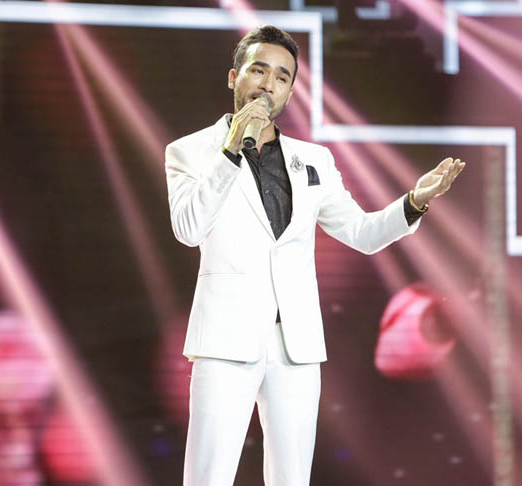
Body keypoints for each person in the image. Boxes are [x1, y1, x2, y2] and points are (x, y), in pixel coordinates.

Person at [165, 25, 464, 486]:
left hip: (296, 346)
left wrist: (414, 202)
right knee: (208, 476)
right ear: (233, 76)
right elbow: (188, 229)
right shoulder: (190, 151)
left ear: (290, 91)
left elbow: (362, 233)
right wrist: (230, 152)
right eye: (258, 70)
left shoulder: (314, 160)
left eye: (282, 76)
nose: (268, 84)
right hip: (225, 340)